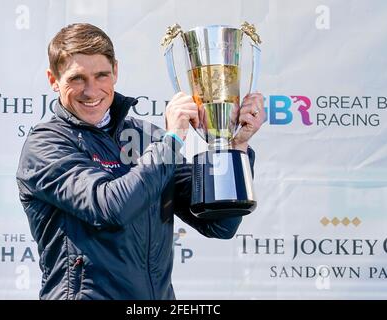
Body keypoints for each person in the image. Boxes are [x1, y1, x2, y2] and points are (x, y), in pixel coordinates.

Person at [16, 23, 265, 300]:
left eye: (101, 75)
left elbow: (219, 225)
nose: (91, 90)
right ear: (53, 80)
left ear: (116, 72)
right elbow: (110, 208)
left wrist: (234, 146)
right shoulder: (46, 144)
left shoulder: (147, 137)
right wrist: (172, 142)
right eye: (77, 78)